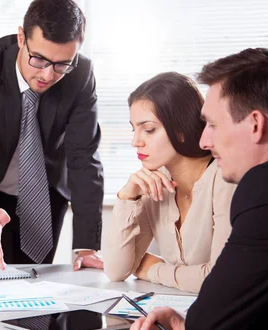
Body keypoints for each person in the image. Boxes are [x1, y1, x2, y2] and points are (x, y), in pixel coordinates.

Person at [128, 48, 268, 330]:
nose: (204, 141)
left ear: (255, 124)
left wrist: (195, 322)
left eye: (213, 124)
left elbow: (209, 328)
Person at [0, 0, 104, 269]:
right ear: (21, 37)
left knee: (36, 292)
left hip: (43, 196)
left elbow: (84, 158)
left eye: (62, 64)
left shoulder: (81, 74)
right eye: (38, 59)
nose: (48, 75)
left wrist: (86, 246)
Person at [75, 72, 236, 294]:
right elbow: (116, 271)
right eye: (134, 128)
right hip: (176, 312)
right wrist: (127, 196)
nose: (135, 141)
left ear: (181, 129)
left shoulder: (225, 178)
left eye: (149, 129)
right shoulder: (153, 182)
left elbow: (219, 279)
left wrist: (153, 269)